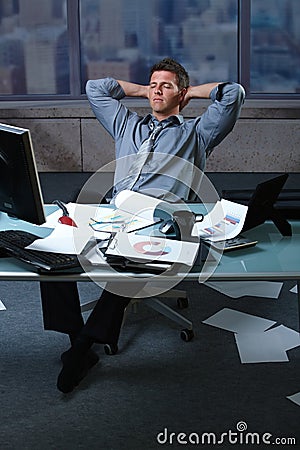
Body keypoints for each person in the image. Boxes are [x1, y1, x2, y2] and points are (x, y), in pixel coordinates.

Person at [40, 58, 245, 393]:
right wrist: (146, 91)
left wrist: (190, 93)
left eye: (166, 85)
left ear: (181, 93)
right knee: (52, 251)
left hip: (158, 220)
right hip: (113, 213)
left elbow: (233, 94)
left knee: (129, 259)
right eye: (153, 85)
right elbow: (96, 89)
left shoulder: (195, 134)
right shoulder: (127, 125)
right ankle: (74, 333)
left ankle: (83, 347)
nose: (157, 90)